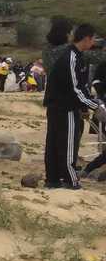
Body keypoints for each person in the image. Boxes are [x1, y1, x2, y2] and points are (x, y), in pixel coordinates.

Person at [43, 24, 106, 189]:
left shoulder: (77, 57)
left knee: (55, 143)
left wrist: (88, 105)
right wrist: (96, 106)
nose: (94, 42)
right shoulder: (71, 57)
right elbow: (75, 90)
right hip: (65, 107)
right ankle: (71, 181)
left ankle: (53, 179)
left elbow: (81, 86)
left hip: (59, 106)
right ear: (86, 39)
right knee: (67, 145)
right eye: (93, 39)